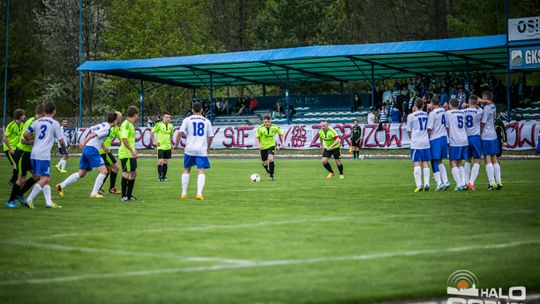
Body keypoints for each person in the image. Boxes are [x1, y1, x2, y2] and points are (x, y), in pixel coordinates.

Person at [55, 112, 120, 199]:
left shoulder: (103, 124)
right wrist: (83, 142)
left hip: (88, 149)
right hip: (92, 149)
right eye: (118, 119)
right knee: (104, 171)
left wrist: (102, 146)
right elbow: (93, 134)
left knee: (81, 173)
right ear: (115, 120)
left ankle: (61, 186)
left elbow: (92, 130)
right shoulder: (107, 129)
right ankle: (94, 193)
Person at [23, 103, 67, 209]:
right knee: (46, 178)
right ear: (54, 111)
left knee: (43, 178)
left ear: (45, 111)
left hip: (33, 153)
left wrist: (34, 141)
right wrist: (64, 152)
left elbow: (25, 134)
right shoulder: (54, 123)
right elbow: (61, 141)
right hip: (43, 155)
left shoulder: (37, 121)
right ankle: (29, 199)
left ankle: (49, 202)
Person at [5, 104, 45, 208]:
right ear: (42, 113)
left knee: (37, 176)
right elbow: (23, 140)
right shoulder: (31, 122)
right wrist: (36, 142)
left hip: (30, 155)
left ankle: (19, 194)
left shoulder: (38, 122)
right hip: (22, 153)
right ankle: (10, 201)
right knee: (21, 179)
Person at [174, 102, 214, 200]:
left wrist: (176, 144)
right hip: (201, 149)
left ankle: (184, 193)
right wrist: (207, 147)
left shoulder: (187, 120)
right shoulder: (206, 121)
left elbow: (180, 133)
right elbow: (211, 136)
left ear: (192, 110)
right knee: (201, 171)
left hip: (189, 149)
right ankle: (199, 194)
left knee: (186, 170)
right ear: (202, 110)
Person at [406, 98, 431, 192]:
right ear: (423, 105)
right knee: (425, 162)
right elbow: (429, 129)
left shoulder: (411, 116)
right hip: (425, 142)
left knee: (416, 162)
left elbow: (408, 130)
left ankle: (419, 185)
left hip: (416, 142)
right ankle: (427, 183)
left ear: (415, 105)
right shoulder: (427, 114)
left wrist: (411, 138)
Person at [426, 96, 450, 191]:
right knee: (440, 161)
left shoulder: (432, 113)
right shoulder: (443, 111)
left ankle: (439, 183)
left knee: (434, 161)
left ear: (432, 104)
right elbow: (447, 125)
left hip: (435, 138)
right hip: (444, 137)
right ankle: (446, 181)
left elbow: (429, 128)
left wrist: (427, 139)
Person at [480, 91, 502, 190]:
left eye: (483, 97)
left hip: (486, 135)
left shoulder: (487, 108)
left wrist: (479, 133)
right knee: (495, 158)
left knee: (487, 158)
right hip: (493, 135)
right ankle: (499, 181)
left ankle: (492, 182)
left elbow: (483, 122)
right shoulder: (493, 106)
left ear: (486, 98)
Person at [446, 98, 469, 191]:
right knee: (460, 162)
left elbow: (447, 127)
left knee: (453, 162)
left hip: (455, 140)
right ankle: (463, 183)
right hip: (464, 139)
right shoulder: (463, 113)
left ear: (451, 104)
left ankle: (459, 184)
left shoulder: (448, 113)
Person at [98, 111, 122, 195]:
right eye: (120, 117)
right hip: (103, 151)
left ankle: (99, 188)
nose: (121, 119)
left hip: (105, 151)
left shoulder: (116, 128)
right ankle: (111, 188)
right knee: (116, 168)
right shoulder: (108, 127)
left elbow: (122, 137)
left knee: (107, 169)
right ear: (116, 118)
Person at [255, 116, 285, 181]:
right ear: (264, 122)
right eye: (266, 122)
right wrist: (259, 145)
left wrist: (283, 142)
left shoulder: (275, 127)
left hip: (271, 146)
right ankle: (266, 168)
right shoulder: (260, 128)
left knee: (270, 159)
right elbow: (257, 137)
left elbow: (282, 134)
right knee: (264, 162)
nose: (267, 123)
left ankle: (271, 176)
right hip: (263, 147)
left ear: (270, 121)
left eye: (268, 122)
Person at [463, 95, 483, 191]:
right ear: (477, 102)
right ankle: (471, 182)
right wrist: (477, 104)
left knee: (467, 160)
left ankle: (466, 182)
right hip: (475, 137)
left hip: (466, 137)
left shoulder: (463, 111)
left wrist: (467, 105)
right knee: (477, 159)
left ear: (468, 101)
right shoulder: (480, 111)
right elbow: (479, 108)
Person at [119, 106, 139, 201]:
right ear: (135, 115)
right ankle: (124, 196)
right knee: (126, 174)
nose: (137, 117)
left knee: (134, 173)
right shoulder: (126, 124)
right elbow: (124, 139)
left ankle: (129, 195)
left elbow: (129, 140)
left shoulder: (130, 124)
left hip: (130, 153)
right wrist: (131, 150)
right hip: (126, 154)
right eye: (137, 115)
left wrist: (134, 151)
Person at [3, 109, 25, 185]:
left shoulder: (23, 125)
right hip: (9, 149)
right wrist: (10, 148)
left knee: (17, 164)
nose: (24, 116)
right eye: (23, 115)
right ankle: (14, 180)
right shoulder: (11, 125)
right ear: (19, 116)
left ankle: (13, 180)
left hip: (17, 148)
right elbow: (4, 138)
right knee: (15, 163)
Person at [151, 112, 174, 181]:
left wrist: (170, 142)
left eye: (169, 117)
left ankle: (164, 177)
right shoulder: (158, 125)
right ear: (163, 118)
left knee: (166, 162)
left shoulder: (171, 126)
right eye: (166, 117)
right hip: (160, 147)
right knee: (160, 161)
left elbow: (171, 134)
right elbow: (152, 132)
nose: (168, 119)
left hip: (168, 147)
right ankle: (160, 177)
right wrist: (153, 142)